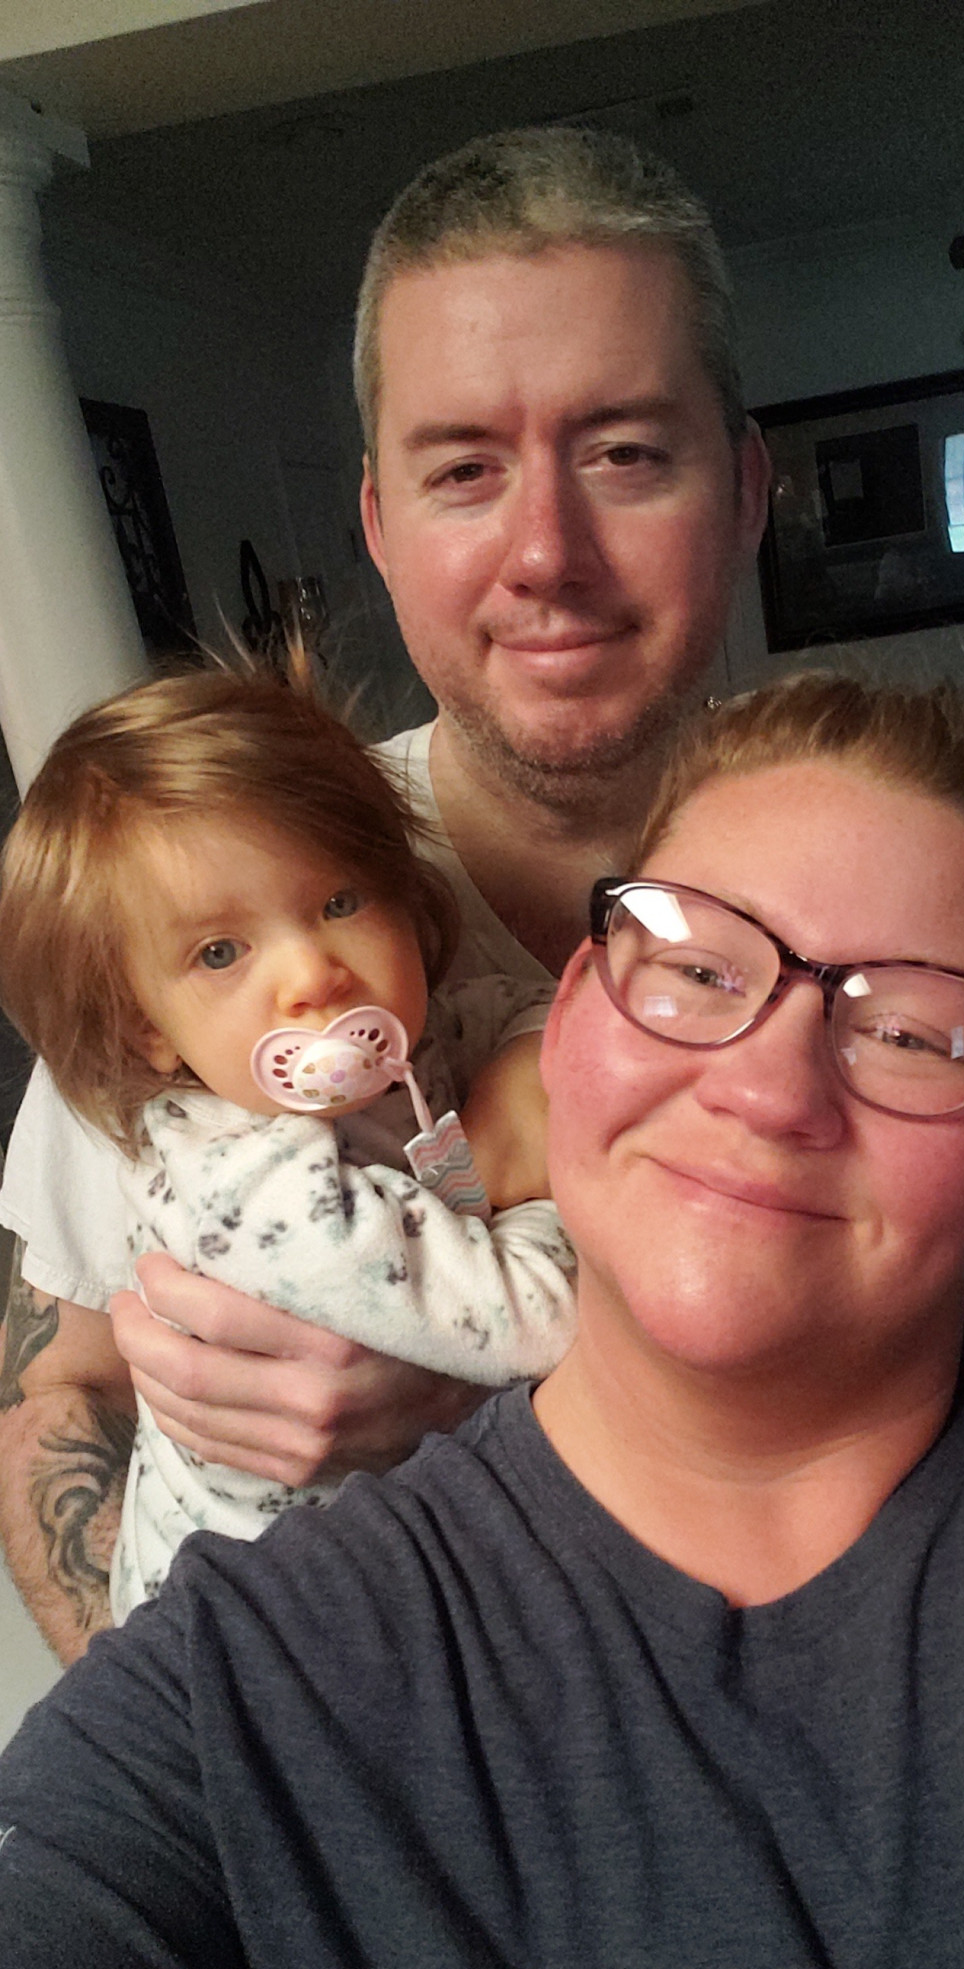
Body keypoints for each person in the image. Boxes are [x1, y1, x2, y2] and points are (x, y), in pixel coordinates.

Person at [0, 674, 964, 1969]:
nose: (767, 1090)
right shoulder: (241, 1674)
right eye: (699, 971)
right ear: (581, 1007)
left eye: (909, 1031)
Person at [0, 125, 771, 1660]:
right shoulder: (190, 920)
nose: (545, 553)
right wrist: (196, 1745)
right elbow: (58, 1395)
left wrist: (479, 1392)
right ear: (377, 525)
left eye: (624, 453)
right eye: (464, 470)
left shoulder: (870, 893)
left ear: (747, 491)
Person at [0, 662, 575, 1617]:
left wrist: (526, 1068)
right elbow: (538, 1322)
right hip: (253, 1612)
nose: (313, 973)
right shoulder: (247, 1189)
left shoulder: (410, 1042)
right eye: (220, 953)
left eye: (341, 902)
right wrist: (544, 1187)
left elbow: (539, 1005)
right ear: (147, 1028)